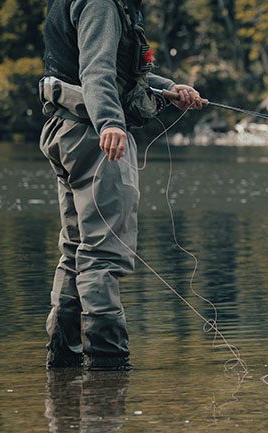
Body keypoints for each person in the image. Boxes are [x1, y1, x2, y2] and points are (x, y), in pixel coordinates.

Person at [39, 0, 204, 370]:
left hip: (67, 129)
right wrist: (110, 121)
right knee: (102, 254)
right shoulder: (102, 4)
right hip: (95, 136)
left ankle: (63, 362)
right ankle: (108, 366)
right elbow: (96, 68)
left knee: (77, 250)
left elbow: (116, 70)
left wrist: (168, 89)